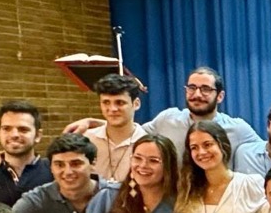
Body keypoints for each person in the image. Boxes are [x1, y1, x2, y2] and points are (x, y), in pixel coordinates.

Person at [64, 66, 260, 160]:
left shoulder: (238, 128)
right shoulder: (168, 119)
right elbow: (131, 131)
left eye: (206, 89)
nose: (197, 94)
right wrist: (92, 122)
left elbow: (266, 152)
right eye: (192, 88)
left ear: (220, 96)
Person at [83, 73, 146, 182]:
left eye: (120, 102)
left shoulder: (148, 144)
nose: (112, 109)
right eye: (106, 102)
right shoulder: (86, 140)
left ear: (136, 104)